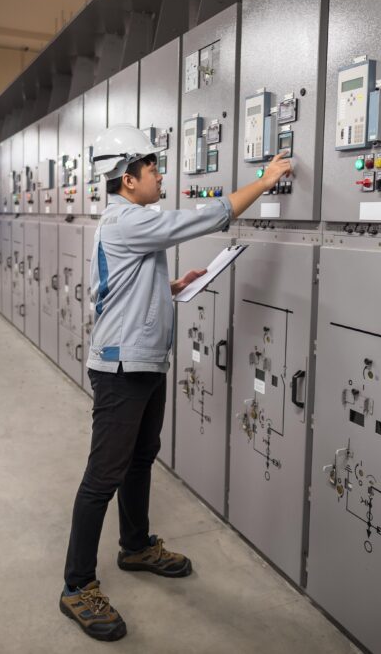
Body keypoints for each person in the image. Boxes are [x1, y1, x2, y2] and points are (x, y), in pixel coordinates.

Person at [60, 123, 293, 641]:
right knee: (103, 476)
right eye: (153, 169)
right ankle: (77, 585)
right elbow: (204, 218)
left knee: (141, 459)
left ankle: (136, 545)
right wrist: (265, 179)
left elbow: (113, 286)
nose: (160, 175)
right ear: (127, 179)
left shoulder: (125, 224)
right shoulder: (128, 220)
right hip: (122, 368)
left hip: (144, 363)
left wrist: (168, 285)